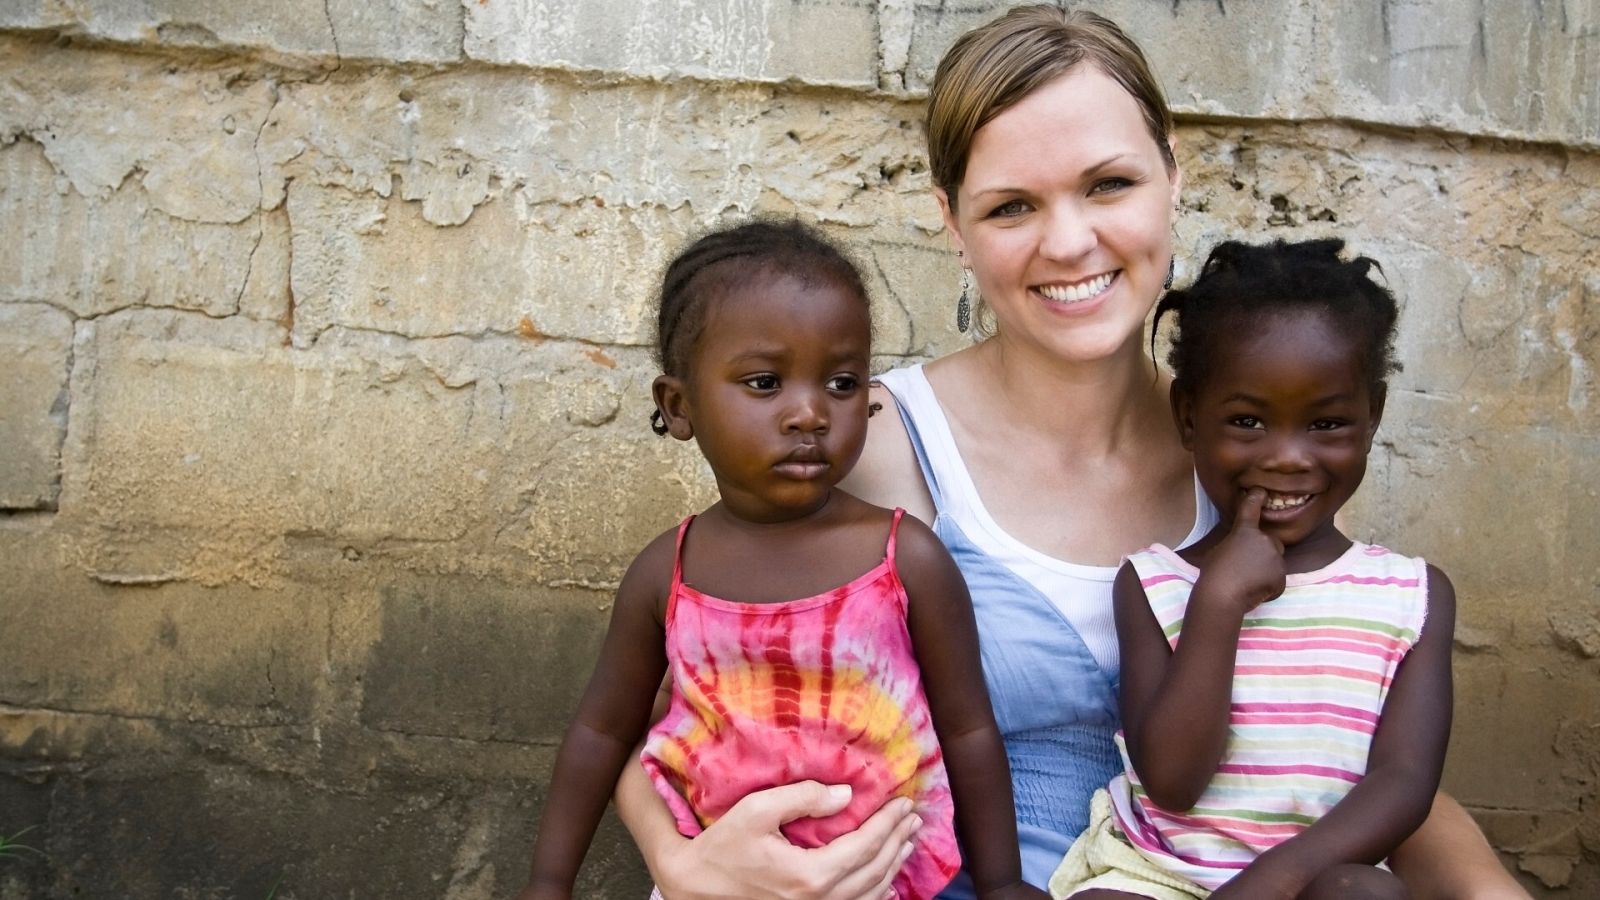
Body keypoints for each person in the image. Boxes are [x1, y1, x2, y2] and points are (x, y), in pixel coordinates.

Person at [616, 7, 1530, 899]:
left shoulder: (1257, 452)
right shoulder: (874, 444)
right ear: (952, 221)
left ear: (1174, 172)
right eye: (1012, 205)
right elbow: (656, 715)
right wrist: (685, 865)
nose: (1068, 242)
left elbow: (1341, 742)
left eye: (1109, 185)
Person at [518, 220, 1047, 900]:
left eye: (843, 382)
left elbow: (969, 730)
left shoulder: (904, 558)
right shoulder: (666, 576)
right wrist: (547, 883)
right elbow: (600, 732)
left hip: (882, 882)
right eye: (766, 383)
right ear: (678, 407)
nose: (810, 413)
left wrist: (1001, 884)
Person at [1047, 238, 1453, 900]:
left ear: (1372, 414)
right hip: (1160, 875)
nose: (1289, 457)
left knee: (1369, 895)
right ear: (1188, 416)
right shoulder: (1155, 587)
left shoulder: (1410, 597)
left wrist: (1272, 882)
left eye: (1326, 423)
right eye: (1247, 421)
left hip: (1310, 881)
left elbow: (1405, 783)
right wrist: (1217, 604)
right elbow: (1174, 782)